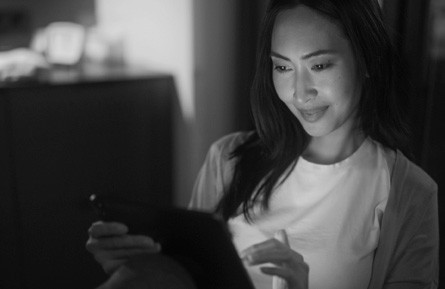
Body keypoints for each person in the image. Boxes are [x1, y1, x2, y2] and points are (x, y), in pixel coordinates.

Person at [86, 0, 439, 288]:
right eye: (283, 68)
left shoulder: (410, 193)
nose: (300, 93)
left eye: (319, 64)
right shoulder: (227, 160)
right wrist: (139, 266)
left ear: (367, 61)